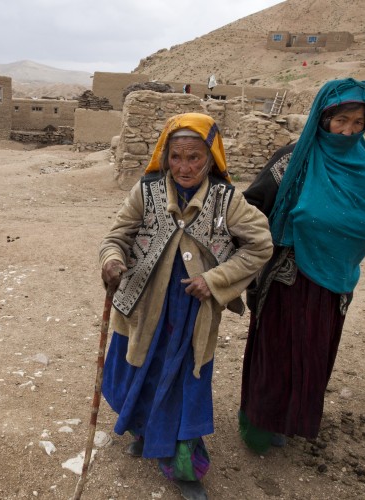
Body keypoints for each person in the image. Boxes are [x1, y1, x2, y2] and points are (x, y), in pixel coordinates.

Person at [99, 112, 273, 499]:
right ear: (165, 155)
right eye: (176, 156)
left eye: (194, 157)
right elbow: (117, 235)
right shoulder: (146, 191)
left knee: (182, 383)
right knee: (141, 371)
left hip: (191, 313)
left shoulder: (227, 200)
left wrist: (214, 280)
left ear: (211, 157)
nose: (184, 166)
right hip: (144, 307)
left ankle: (185, 469)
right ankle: (147, 435)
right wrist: (112, 261)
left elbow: (261, 244)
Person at [238, 78, 365, 453]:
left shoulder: (363, 165)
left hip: (333, 281)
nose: (348, 130)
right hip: (288, 277)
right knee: (276, 353)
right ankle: (257, 427)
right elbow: (251, 207)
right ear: (323, 118)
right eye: (341, 120)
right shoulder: (294, 160)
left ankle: (290, 421)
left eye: (357, 122)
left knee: (313, 353)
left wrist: (342, 236)